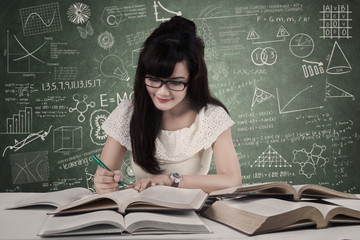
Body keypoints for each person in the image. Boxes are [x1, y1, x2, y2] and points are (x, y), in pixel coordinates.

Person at [94, 16, 241, 194]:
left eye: (175, 82)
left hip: (192, 213)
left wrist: (170, 180)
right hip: (143, 212)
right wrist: (103, 183)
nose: (162, 92)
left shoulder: (211, 116)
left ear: (193, 79)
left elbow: (232, 180)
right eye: (154, 79)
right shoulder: (128, 113)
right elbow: (104, 180)